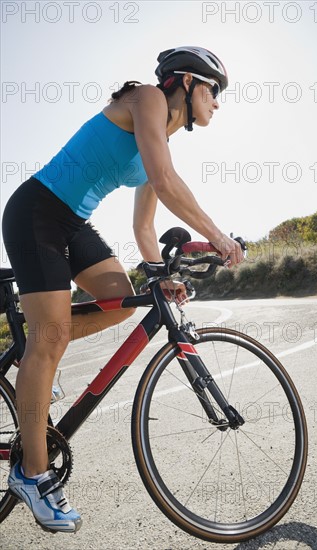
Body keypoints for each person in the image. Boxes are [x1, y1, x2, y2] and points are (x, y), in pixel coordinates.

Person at [2, 46, 244, 533]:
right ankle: (31, 473)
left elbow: (145, 229)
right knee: (51, 338)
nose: (217, 102)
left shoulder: (163, 142)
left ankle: (34, 357)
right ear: (188, 82)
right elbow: (164, 179)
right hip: (37, 212)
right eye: (214, 91)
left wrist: (161, 276)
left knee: (117, 301)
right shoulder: (148, 98)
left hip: (72, 222)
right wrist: (217, 234)